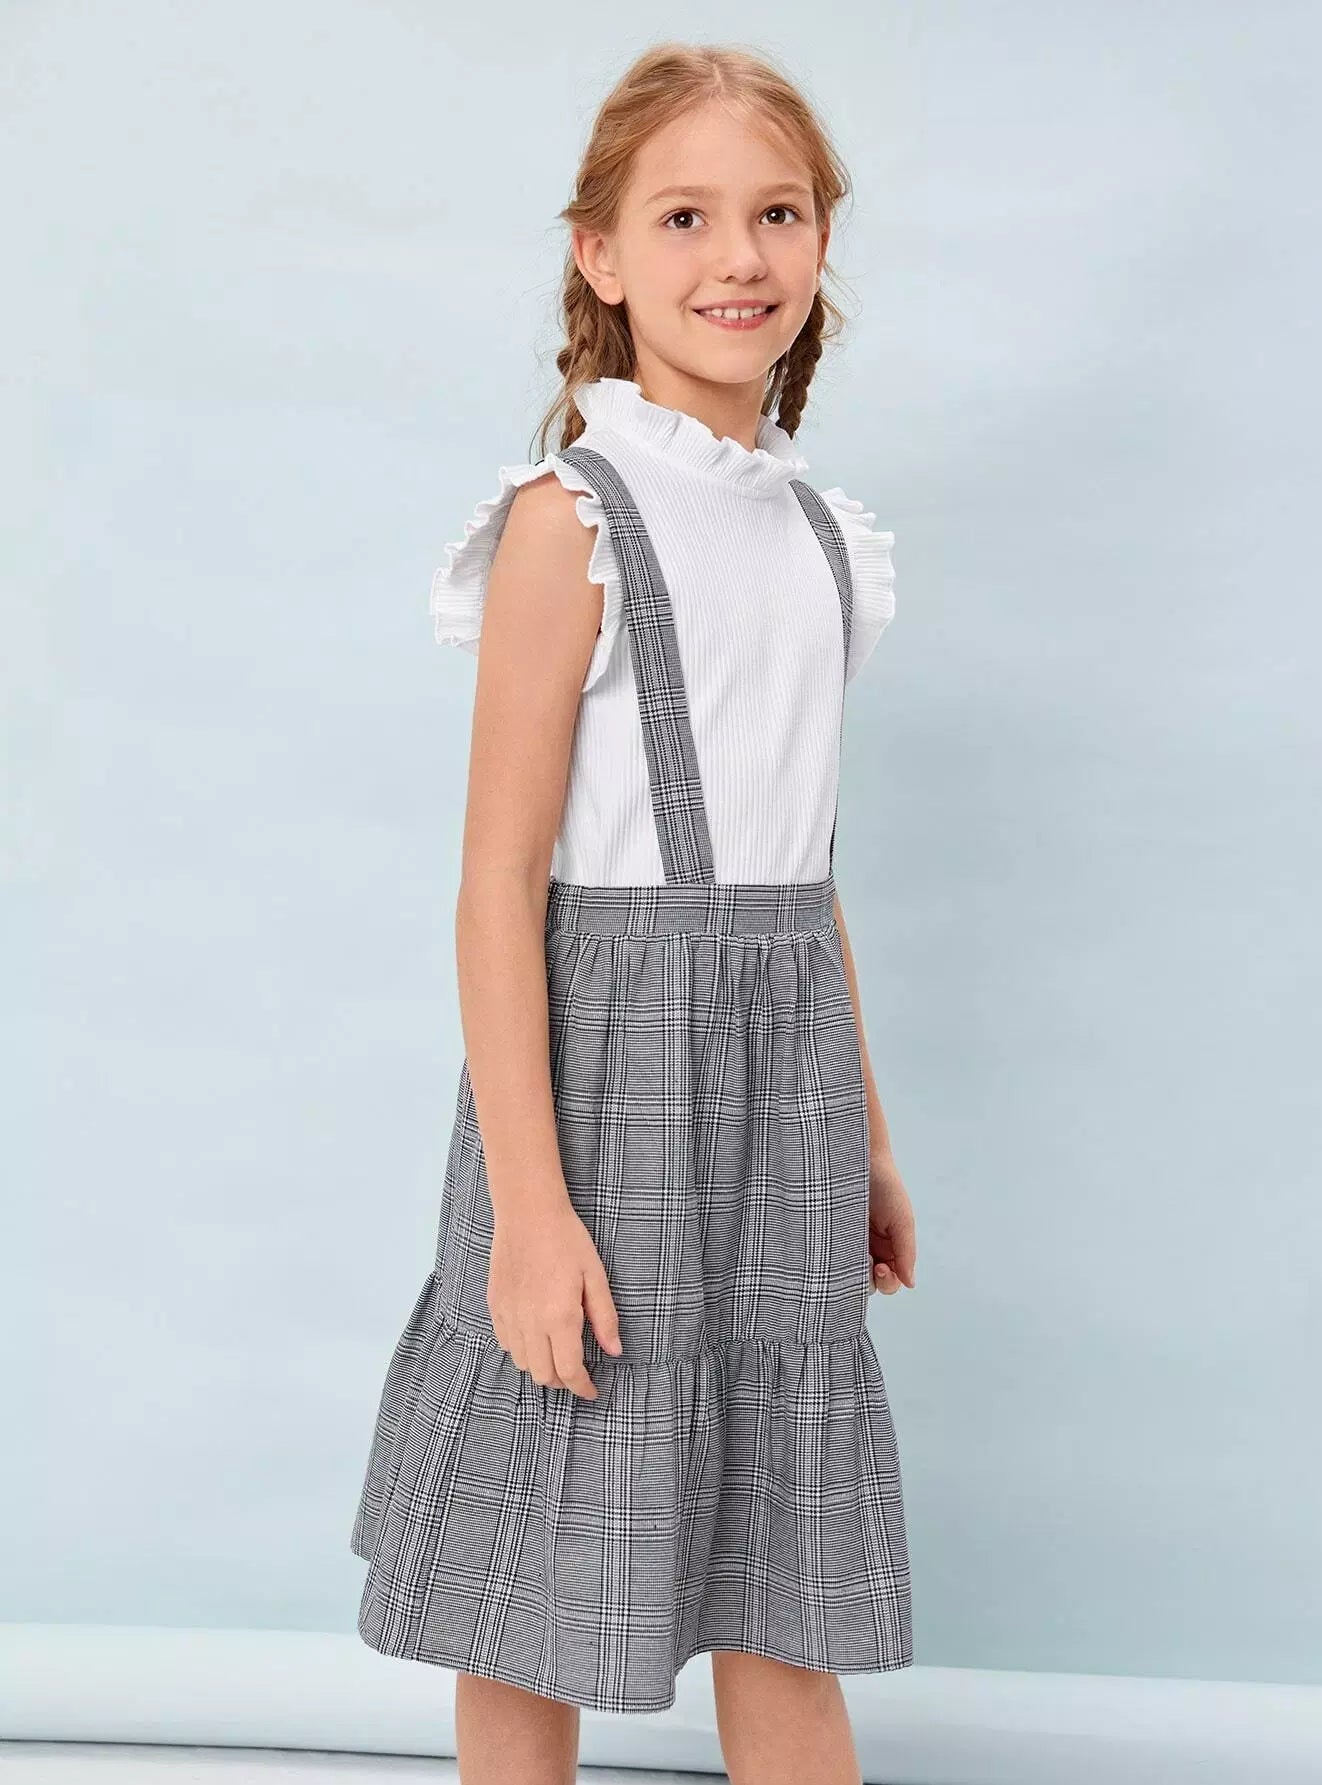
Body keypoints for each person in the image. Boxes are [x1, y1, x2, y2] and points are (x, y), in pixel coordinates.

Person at [350, 40, 917, 1785]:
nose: (737, 256)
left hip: (786, 1083)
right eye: (684, 218)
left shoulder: (822, 538)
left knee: (783, 1571)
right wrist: (531, 1206)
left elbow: (798, 864)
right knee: (543, 1524)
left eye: (777, 214)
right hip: (602, 1082)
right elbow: (495, 883)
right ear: (599, 255)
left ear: (821, 244)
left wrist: (867, 1135)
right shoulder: (569, 522)